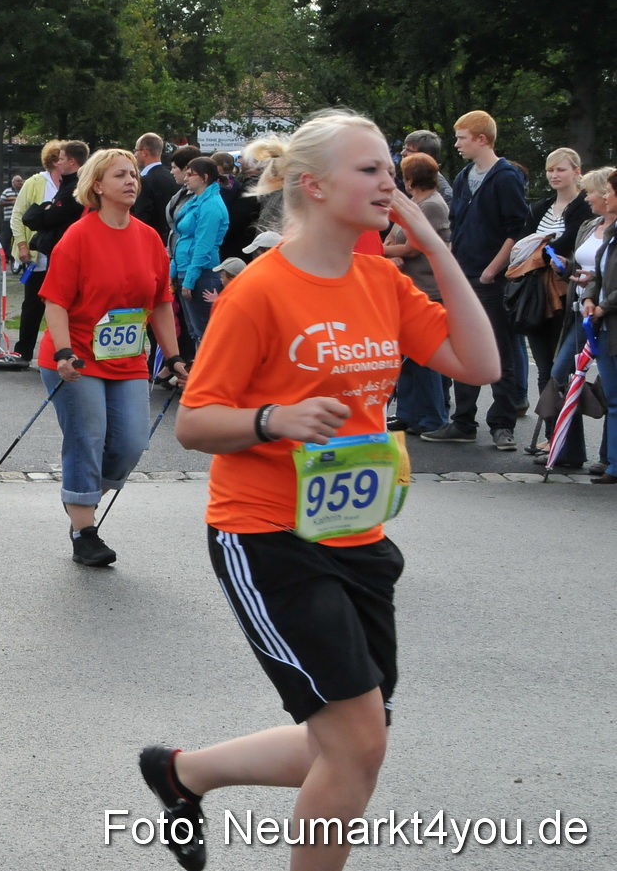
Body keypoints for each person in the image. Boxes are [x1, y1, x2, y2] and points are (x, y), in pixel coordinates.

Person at [150, 111, 498, 871]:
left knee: (347, 739)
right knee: (356, 742)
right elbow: (195, 422)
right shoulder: (260, 290)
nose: (390, 183)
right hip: (267, 534)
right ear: (311, 185)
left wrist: (435, 247)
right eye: (369, 170)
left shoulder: (379, 278)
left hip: (360, 535)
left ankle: (181, 772)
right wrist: (275, 417)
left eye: (391, 169)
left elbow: (479, 365)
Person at [37, 148, 187, 567]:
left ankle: (79, 498)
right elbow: (54, 301)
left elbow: (159, 303)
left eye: (134, 174)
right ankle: (84, 529)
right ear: (97, 185)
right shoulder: (79, 236)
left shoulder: (149, 237)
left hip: (126, 359)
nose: (131, 181)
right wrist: (65, 351)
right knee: (88, 437)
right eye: (120, 174)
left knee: (130, 444)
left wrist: (173, 358)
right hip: (76, 358)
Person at [421, 110, 528, 450]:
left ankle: (502, 424)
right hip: (464, 274)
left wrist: (493, 269)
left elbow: (517, 229)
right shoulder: (466, 174)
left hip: (489, 277)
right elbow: (457, 225)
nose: (457, 144)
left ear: (482, 139)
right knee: (462, 346)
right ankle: (463, 421)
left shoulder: (506, 176)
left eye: (462, 138)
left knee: (498, 349)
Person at [519, 148, 592, 444]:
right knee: (545, 368)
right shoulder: (541, 207)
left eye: (560, 169)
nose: (554, 175)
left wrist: (543, 248)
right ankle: (551, 435)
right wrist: (542, 249)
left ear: (577, 171)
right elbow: (524, 242)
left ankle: (564, 442)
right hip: (536, 293)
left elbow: (568, 242)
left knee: (563, 369)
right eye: (550, 170)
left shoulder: (583, 207)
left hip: (565, 294)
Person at [545, 167, 614, 474]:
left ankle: (607, 456)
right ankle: (570, 449)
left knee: (607, 385)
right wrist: (565, 267)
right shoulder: (590, 225)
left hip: (605, 315)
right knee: (563, 374)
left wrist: (599, 299)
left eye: (591, 192)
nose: (587, 197)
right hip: (581, 310)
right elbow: (589, 265)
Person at [384, 154, 453, 435]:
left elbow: (412, 247)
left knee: (424, 359)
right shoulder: (413, 203)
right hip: (409, 286)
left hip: (427, 288)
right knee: (408, 359)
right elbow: (391, 234)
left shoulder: (432, 205)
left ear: (410, 178)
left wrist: (380, 252)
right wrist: (389, 249)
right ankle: (409, 414)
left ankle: (433, 416)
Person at [9, 142, 61, 362]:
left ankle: (58, 351)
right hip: (37, 254)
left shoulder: (75, 184)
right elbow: (17, 215)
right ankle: (24, 351)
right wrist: (21, 245)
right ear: (54, 161)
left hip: (61, 254)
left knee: (60, 305)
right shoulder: (35, 183)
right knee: (32, 304)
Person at [171, 156, 229, 352]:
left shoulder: (211, 205)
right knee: (195, 331)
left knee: (205, 333)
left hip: (201, 275)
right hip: (187, 271)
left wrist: (189, 279)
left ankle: (209, 379)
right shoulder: (197, 200)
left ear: (204, 177)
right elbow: (181, 238)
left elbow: (203, 246)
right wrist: (174, 270)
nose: (185, 178)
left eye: (190, 174)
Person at [130, 132, 178, 237]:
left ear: (145, 152)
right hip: (171, 238)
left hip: (149, 238)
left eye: (136, 150)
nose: (135, 155)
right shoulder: (173, 177)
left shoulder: (144, 181)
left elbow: (142, 216)